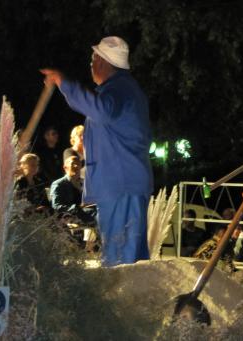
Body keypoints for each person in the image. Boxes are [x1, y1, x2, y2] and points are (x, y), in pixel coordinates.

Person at [41, 36, 153, 266]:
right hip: (124, 183)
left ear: (102, 61)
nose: (90, 65)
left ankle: (121, 303)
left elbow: (100, 110)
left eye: (93, 59)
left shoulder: (119, 89)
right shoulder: (125, 90)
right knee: (131, 262)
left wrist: (65, 83)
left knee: (121, 263)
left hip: (120, 185)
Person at [50, 155, 97, 248]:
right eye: (73, 164)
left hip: (87, 211)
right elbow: (56, 205)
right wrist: (75, 208)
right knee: (99, 216)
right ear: (65, 167)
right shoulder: (59, 184)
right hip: (71, 214)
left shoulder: (84, 183)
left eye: (78, 164)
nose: (76, 166)